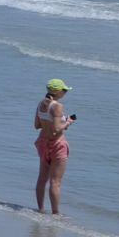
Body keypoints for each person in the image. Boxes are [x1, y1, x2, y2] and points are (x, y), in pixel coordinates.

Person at [32, 78, 73, 215]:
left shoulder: (41, 104)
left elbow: (37, 125)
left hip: (43, 142)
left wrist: (51, 123)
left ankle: (40, 210)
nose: (65, 93)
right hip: (57, 144)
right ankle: (56, 215)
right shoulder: (57, 107)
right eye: (65, 90)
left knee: (42, 178)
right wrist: (68, 122)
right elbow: (56, 129)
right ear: (59, 92)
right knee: (55, 182)